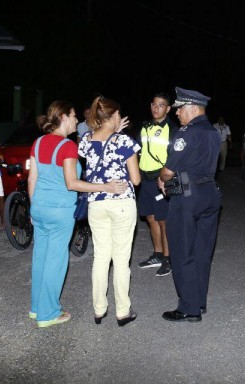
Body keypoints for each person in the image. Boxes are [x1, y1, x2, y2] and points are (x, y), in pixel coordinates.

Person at [29, 100, 128, 328]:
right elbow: (72, 183)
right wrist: (107, 187)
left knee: (40, 258)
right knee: (56, 261)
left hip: (40, 208)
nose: (76, 120)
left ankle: (36, 308)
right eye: (73, 116)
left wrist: (34, 208)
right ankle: (48, 314)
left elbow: (32, 178)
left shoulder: (38, 143)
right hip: (59, 210)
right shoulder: (67, 146)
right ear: (63, 117)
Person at [158, 87, 221, 322]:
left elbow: (167, 171)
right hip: (210, 193)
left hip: (187, 196)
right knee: (202, 252)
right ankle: (199, 301)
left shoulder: (186, 134)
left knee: (183, 250)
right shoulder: (214, 132)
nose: (177, 113)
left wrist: (162, 179)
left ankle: (188, 308)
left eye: (179, 109)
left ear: (192, 108)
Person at [79, 95, 141, 326]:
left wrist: (114, 129)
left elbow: (99, 146)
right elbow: (135, 179)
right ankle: (122, 311)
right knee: (121, 259)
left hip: (97, 203)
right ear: (115, 115)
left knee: (101, 257)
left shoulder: (85, 140)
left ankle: (99, 309)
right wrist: (120, 135)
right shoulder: (125, 142)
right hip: (122, 202)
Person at [137, 92, 177, 277]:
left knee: (163, 220)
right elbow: (138, 151)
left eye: (161, 105)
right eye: (154, 104)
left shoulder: (172, 129)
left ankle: (168, 259)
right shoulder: (145, 127)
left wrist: (166, 178)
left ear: (168, 109)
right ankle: (158, 254)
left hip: (160, 181)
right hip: (145, 179)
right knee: (151, 218)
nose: (156, 108)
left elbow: (175, 158)